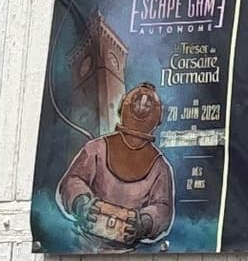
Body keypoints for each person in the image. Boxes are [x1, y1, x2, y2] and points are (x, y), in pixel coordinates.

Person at [56, 81, 180, 248]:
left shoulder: (160, 168)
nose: (141, 107)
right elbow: (72, 181)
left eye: (147, 106)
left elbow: (162, 209)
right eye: (137, 103)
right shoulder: (96, 149)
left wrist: (143, 223)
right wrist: (82, 203)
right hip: (83, 244)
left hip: (127, 253)